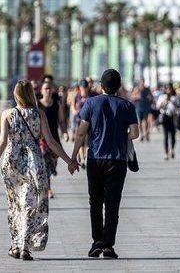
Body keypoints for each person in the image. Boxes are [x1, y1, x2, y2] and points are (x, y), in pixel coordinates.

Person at [0, 80, 78, 261]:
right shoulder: (40, 115)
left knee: (15, 204)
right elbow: (51, 142)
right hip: (34, 162)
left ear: (16, 95)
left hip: (12, 162)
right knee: (31, 204)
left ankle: (17, 244)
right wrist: (70, 161)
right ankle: (24, 247)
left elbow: (2, 142)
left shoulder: (7, 114)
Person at [71, 69, 139, 259]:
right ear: (118, 87)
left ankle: (96, 242)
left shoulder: (91, 104)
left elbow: (81, 132)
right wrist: (120, 135)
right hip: (117, 160)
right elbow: (135, 133)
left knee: (95, 202)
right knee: (112, 204)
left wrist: (74, 157)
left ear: (101, 86)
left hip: (95, 159)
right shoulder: (127, 106)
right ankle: (108, 245)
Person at [38, 81, 65, 198]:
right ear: (41, 91)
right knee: (44, 165)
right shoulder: (37, 105)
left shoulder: (56, 105)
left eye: (49, 88)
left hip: (54, 140)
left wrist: (64, 132)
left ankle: (47, 182)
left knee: (51, 165)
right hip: (41, 140)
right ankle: (48, 189)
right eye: (45, 89)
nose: (48, 90)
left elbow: (62, 121)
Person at [156, 84, 179, 160]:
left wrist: (172, 102)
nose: (169, 90)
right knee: (166, 136)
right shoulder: (162, 97)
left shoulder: (175, 98)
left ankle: (172, 150)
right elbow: (158, 107)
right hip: (165, 117)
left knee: (173, 135)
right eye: (167, 89)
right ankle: (166, 153)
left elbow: (178, 108)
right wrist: (164, 102)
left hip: (173, 117)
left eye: (170, 89)